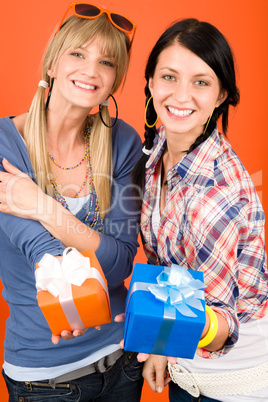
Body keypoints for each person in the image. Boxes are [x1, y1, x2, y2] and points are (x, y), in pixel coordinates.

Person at [0, 3, 144, 401]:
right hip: (45, 377)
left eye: (107, 62)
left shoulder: (124, 143)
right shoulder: (4, 144)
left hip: (122, 361)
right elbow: (42, 252)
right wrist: (82, 258)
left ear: (116, 80)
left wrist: (40, 205)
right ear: (52, 64)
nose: (91, 71)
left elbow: (119, 263)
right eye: (78, 54)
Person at [130, 18, 268, 401]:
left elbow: (223, 326)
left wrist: (158, 330)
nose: (181, 95)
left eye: (201, 82)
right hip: (186, 368)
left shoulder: (214, 195)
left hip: (233, 381)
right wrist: (163, 340)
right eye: (169, 77)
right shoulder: (162, 143)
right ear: (151, 83)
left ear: (222, 94)